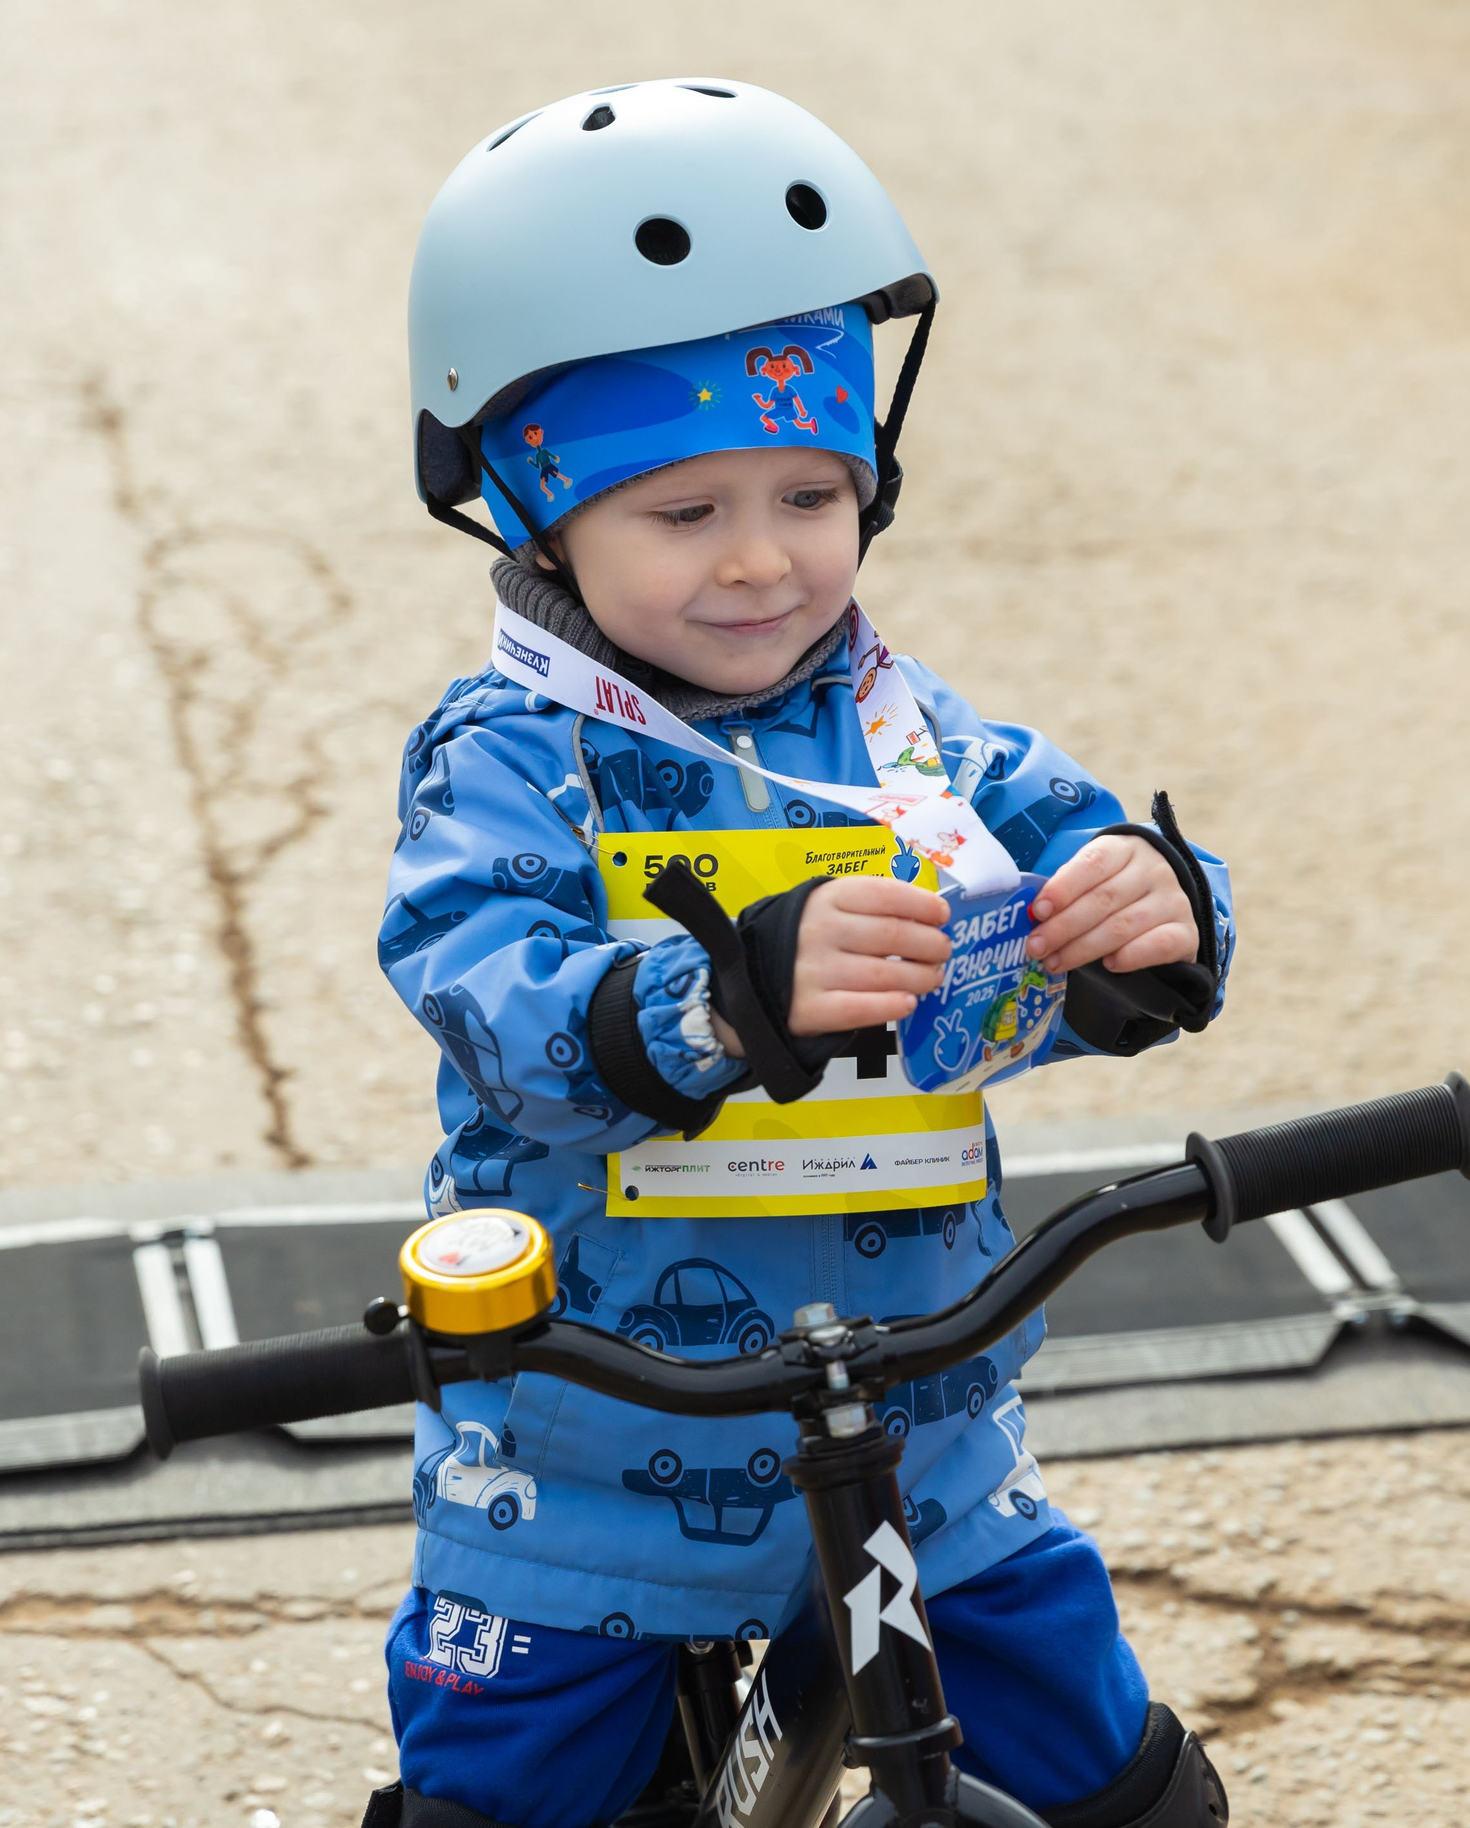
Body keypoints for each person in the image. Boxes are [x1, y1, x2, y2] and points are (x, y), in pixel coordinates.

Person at [375, 79, 1237, 1828]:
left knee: (1119, 1792)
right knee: (502, 1800)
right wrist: (713, 999)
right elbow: (477, 972)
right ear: (539, 519)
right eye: (682, 514)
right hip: (594, 1448)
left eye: (812, 492)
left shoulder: (913, 739)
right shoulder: (510, 754)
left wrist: (1147, 920)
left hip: (927, 1419)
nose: (765, 560)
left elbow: (1069, 862)